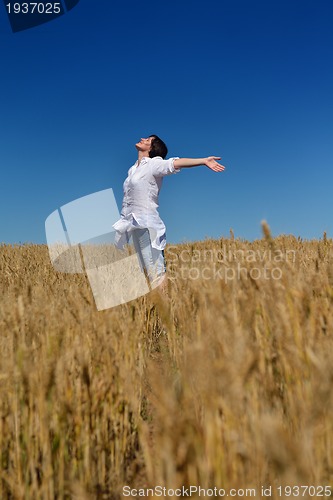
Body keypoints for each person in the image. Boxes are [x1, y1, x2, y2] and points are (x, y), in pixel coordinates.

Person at [112, 135, 225, 295]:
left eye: (148, 140)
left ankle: (166, 310)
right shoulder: (132, 169)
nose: (142, 138)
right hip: (132, 223)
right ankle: (155, 312)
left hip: (147, 223)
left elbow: (176, 163)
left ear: (152, 148)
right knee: (145, 269)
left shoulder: (154, 164)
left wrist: (203, 160)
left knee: (156, 271)